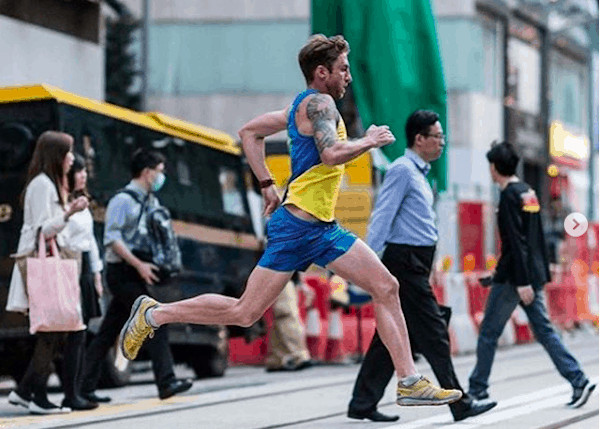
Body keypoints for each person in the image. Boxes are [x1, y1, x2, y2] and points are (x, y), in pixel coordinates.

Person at [119, 34, 463, 408]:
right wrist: (369, 140)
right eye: (343, 69)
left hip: (323, 229)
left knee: (387, 286)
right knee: (244, 311)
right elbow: (331, 153)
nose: (348, 76)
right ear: (322, 72)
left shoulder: (299, 107)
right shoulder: (320, 105)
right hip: (298, 228)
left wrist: (267, 184)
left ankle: (408, 379)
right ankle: (154, 313)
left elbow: (249, 133)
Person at [347, 110, 497, 422]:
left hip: (417, 262)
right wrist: (368, 264)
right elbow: (382, 217)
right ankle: (460, 402)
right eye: (437, 136)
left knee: (393, 336)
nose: (442, 142)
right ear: (420, 139)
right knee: (434, 331)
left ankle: (362, 402)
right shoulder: (402, 170)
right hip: (404, 263)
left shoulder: (420, 172)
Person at [468, 141, 596, 408]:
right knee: (545, 331)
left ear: (494, 167)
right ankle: (578, 379)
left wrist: (522, 280)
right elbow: (532, 239)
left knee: (489, 332)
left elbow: (516, 242)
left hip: (517, 279)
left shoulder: (509, 196)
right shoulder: (528, 192)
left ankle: (477, 389)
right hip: (527, 275)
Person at [80, 149, 192, 403]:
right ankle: (166, 381)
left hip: (141, 272)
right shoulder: (123, 200)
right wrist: (138, 264)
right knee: (154, 317)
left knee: (107, 333)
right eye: (160, 171)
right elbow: (112, 239)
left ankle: (82, 388)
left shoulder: (151, 201)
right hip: (122, 272)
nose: (161, 176)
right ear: (147, 172)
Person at [7, 131, 89, 414]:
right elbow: (43, 229)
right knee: (50, 332)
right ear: (56, 155)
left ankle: (27, 391)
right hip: (43, 266)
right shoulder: (42, 185)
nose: (71, 159)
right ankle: (32, 394)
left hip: (47, 266)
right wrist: (69, 213)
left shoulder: (50, 183)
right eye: (68, 153)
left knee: (51, 332)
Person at [59, 154, 103, 410]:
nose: (84, 175)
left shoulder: (82, 201)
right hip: (68, 266)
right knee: (71, 335)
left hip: (84, 268)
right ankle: (70, 393)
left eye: (86, 171)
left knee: (82, 333)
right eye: (79, 171)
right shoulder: (62, 203)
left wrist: (96, 274)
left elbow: (91, 241)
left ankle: (77, 391)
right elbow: (61, 237)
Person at [265, 272, 314, 372]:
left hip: (277, 274)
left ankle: (277, 359)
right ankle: (298, 356)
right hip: (281, 275)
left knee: (281, 318)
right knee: (287, 315)